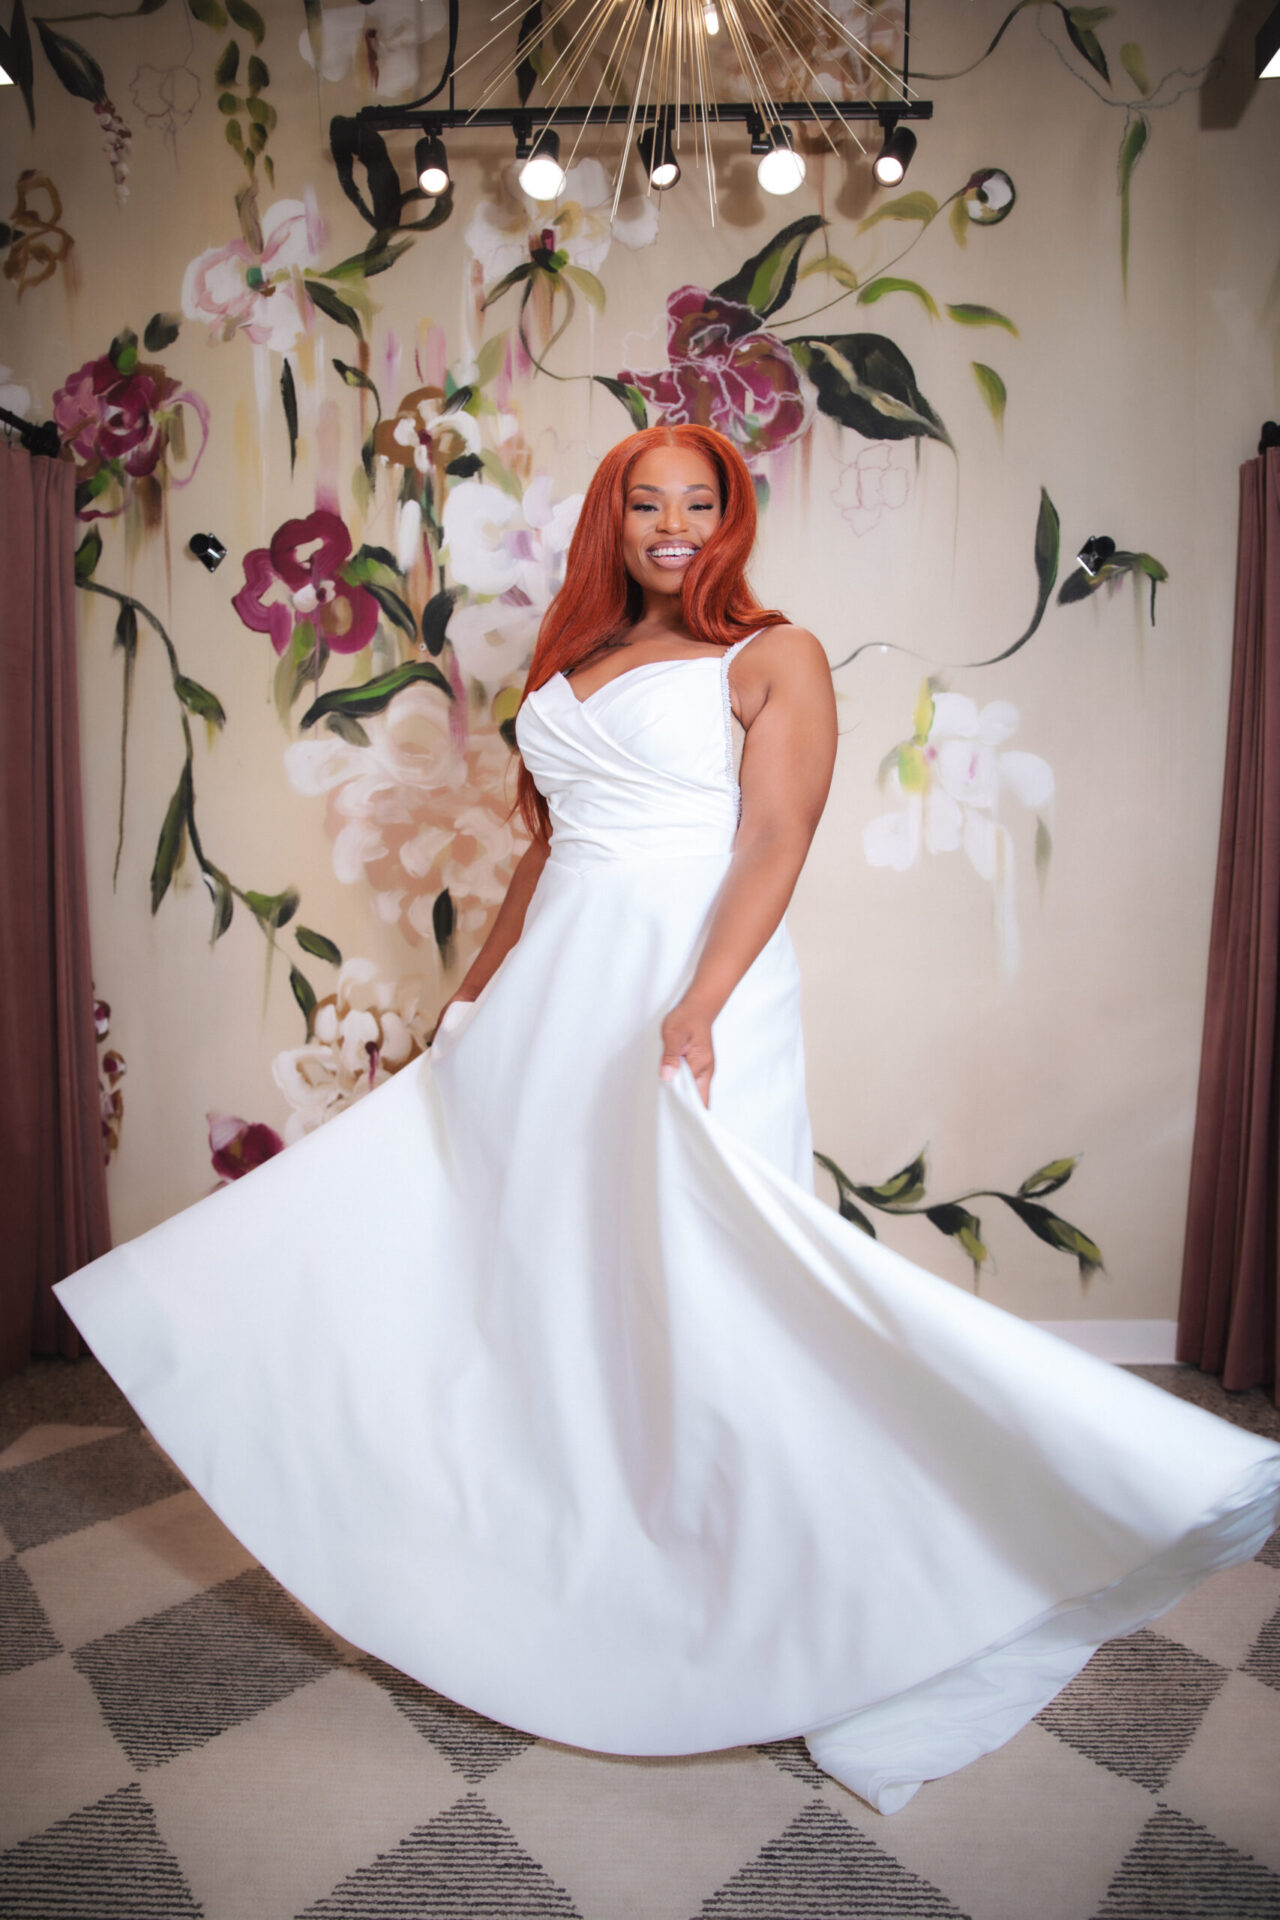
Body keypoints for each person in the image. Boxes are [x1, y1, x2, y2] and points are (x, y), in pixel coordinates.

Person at [55, 424, 1280, 1817]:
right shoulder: (574, 667)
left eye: (703, 502)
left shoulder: (775, 654)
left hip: (687, 995)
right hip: (548, 1009)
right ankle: (553, 1550)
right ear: (615, 518)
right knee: (529, 1269)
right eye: (651, 502)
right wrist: (467, 1010)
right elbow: (544, 858)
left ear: (734, 516)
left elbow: (775, 841)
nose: (677, 524)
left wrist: (699, 1001)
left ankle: (827, 1585)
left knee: (722, 1288)